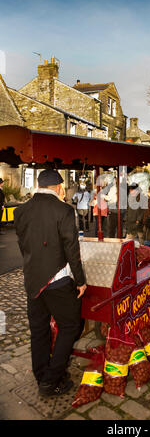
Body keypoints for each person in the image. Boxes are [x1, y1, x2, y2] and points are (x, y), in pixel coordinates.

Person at [14, 169, 87, 397]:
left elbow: (24, 245)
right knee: (71, 325)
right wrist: (81, 280)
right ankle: (51, 379)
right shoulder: (64, 210)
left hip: (32, 279)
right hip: (56, 279)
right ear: (58, 187)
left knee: (39, 330)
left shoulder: (20, 210)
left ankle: (41, 374)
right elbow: (71, 250)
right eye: (63, 187)